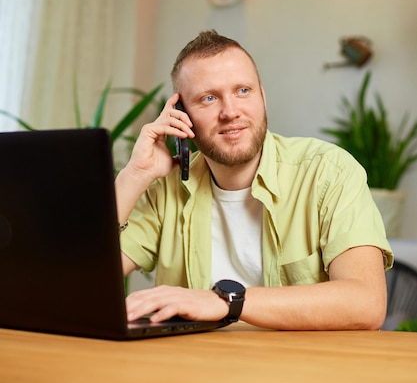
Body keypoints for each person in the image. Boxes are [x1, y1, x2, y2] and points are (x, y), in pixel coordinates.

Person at [115, 30, 393, 330]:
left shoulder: (329, 172)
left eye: (243, 91)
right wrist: (135, 175)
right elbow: (76, 281)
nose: (231, 112)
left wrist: (226, 301)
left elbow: (366, 303)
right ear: (182, 115)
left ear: (263, 96)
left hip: (301, 369)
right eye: (208, 98)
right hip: (195, 368)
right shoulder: (166, 189)